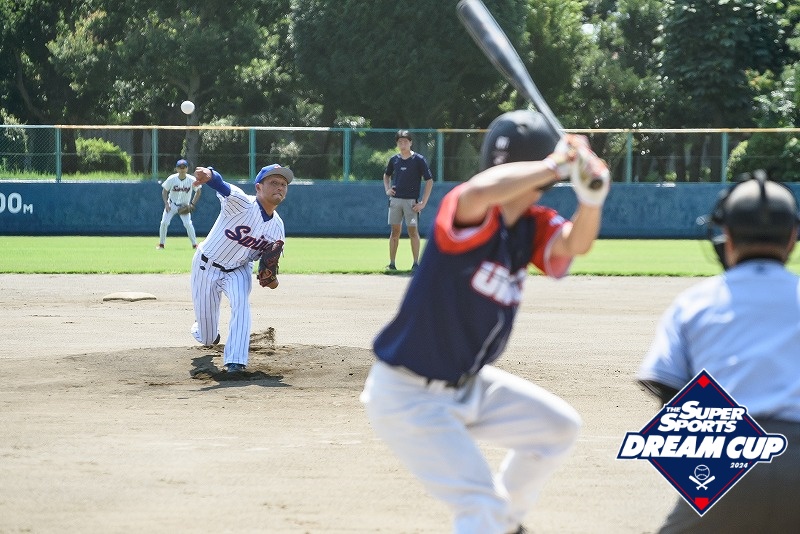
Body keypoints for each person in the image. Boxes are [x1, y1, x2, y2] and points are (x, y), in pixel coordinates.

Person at [361, 110, 611, 534]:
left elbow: (576, 243)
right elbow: (479, 190)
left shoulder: (530, 225)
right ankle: (493, 521)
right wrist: (556, 164)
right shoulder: (471, 210)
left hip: (468, 384)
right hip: (410, 394)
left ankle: (506, 524)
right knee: (479, 504)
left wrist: (592, 198)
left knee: (557, 429)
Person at [637, 170, 800, 533]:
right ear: (792, 237)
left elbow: (665, 388)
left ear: (726, 237)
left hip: (730, 459)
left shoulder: (695, 302)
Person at [188, 163, 292, 374]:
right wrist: (209, 174)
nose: (280, 187)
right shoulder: (242, 203)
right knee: (207, 338)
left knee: (241, 304)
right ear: (258, 187)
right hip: (206, 265)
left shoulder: (277, 228)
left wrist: (271, 279)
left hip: (238, 269)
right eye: (273, 182)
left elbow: (270, 272)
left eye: (283, 184)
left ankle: (235, 362)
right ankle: (204, 330)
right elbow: (221, 184)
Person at [383, 129, 434, 272]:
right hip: (396, 201)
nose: (403, 144)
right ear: (397, 144)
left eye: (405, 142)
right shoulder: (394, 159)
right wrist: (387, 189)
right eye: (400, 142)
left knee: (413, 231)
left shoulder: (418, 160)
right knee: (395, 232)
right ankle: (392, 264)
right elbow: (386, 175)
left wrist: (423, 203)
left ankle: (416, 264)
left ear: (410, 143)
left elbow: (429, 181)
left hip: (411, 202)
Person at [157, 159, 202, 250]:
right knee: (164, 222)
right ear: (176, 169)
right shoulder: (172, 179)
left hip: (184, 205)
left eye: (184, 167)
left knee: (188, 224)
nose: (182, 169)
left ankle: (195, 245)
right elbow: (164, 191)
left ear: (187, 169)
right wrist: (166, 204)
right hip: (172, 204)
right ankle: (161, 244)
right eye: (180, 167)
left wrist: (192, 204)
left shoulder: (191, 179)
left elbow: (198, 191)